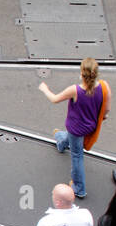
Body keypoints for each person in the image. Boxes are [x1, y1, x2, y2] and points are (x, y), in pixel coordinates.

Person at [39, 58, 109, 200]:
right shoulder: (104, 86)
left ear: (82, 73)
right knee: (69, 139)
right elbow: (106, 111)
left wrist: (45, 89)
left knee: (77, 155)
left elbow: (54, 99)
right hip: (91, 126)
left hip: (76, 128)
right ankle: (61, 142)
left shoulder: (75, 90)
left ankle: (79, 188)